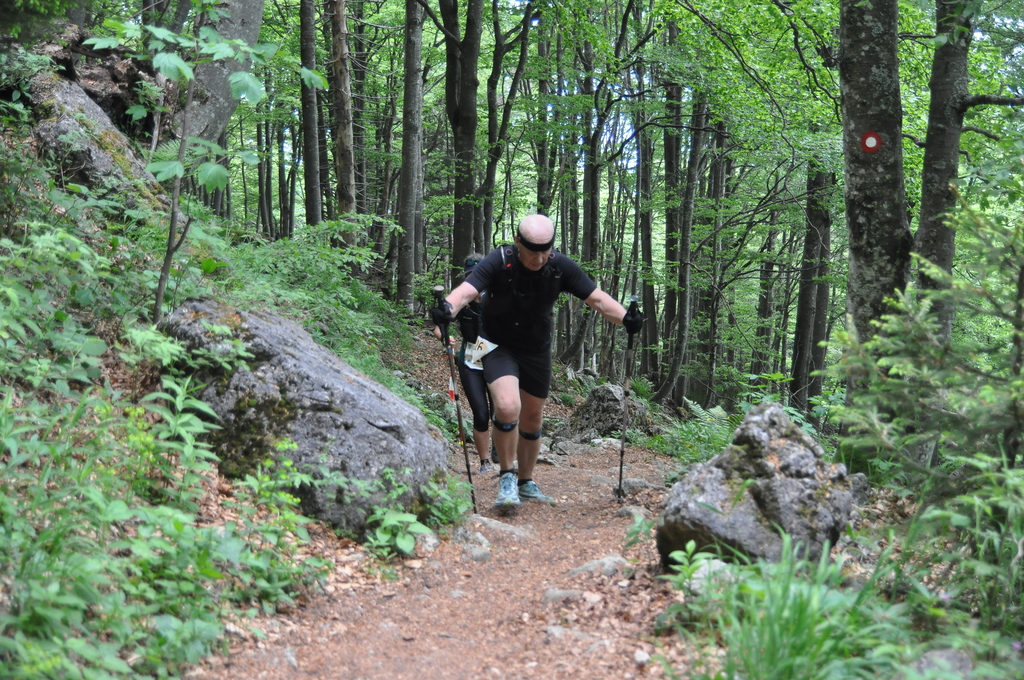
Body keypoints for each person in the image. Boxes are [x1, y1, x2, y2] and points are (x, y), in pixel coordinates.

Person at [432, 214, 643, 511]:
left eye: (545, 251)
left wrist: (626, 317)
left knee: (532, 418)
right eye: (533, 251)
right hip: (497, 345)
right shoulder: (499, 261)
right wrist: (447, 308)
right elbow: (466, 291)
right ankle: (507, 476)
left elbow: (596, 299)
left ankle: (526, 482)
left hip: (536, 350)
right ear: (518, 242)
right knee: (508, 407)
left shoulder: (559, 267)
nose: (539, 258)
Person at [434, 254, 497, 475]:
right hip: (470, 362)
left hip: (497, 361)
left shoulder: (497, 297)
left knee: (500, 412)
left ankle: (500, 452)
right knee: (480, 414)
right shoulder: (461, 301)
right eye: (471, 276)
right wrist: (445, 337)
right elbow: (439, 327)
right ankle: (485, 461)